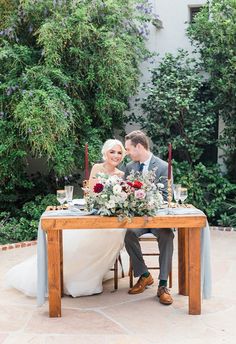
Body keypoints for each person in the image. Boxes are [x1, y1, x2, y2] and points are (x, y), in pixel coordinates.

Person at [5, 139, 128, 298]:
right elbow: (91, 195)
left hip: (111, 220)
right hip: (95, 215)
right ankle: (68, 278)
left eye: (119, 152)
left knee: (115, 234)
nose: (116, 155)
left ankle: (90, 278)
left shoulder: (122, 175)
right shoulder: (97, 168)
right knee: (77, 241)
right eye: (112, 152)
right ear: (105, 153)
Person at [124, 130, 174, 305]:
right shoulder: (129, 167)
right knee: (129, 233)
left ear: (139, 147)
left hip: (158, 219)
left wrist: (147, 199)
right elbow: (125, 193)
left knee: (167, 235)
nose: (127, 153)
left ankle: (163, 285)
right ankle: (144, 275)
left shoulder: (162, 166)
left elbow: (168, 195)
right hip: (138, 220)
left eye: (128, 149)